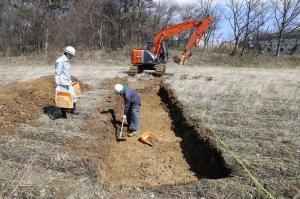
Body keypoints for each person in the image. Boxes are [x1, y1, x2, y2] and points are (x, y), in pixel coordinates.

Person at [55, 46, 78, 118]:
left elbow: (67, 72)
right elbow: (57, 73)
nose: (72, 57)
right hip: (62, 83)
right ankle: (63, 114)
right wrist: (58, 84)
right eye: (71, 55)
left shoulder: (67, 60)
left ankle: (73, 110)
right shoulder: (60, 61)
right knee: (63, 99)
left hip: (68, 82)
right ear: (67, 53)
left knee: (73, 96)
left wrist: (70, 80)